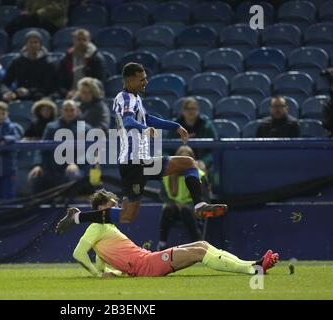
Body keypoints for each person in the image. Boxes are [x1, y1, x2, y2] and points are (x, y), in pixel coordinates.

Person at [56, 63, 227, 235]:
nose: (145, 82)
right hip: (133, 162)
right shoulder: (125, 98)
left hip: (140, 161)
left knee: (127, 215)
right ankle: (199, 205)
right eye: (142, 79)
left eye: (145, 78)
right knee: (186, 164)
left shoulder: (134, 98)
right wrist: (144, 129)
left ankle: (77, 218)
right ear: (129, 81)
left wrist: (175, 126)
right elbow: (129, 120)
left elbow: (148, 119)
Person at [72, 189, 279, 278]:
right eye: (111, 206)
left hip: (147, 260)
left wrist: (108, 272)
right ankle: (253, 270)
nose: (117, 210)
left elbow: (102, 259)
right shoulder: (96, 226)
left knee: (203, 245)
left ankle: (253, 263)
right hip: (147, 265)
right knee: (199, 252)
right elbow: (79, 253)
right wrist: (99, 275)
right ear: (100, 208)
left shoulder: (106, 228)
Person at [28, 100, 91, 193]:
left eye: (72, 110)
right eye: (66, 110)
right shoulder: (51, 127)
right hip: (52, 168)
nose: (69, 112)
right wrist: (38, 165)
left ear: (77, 111)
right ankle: (38, 205)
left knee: (72, 173)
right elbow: (42, 148)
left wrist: (76, 164)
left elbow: (89, 151)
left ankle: (70, 205)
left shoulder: (84, 128)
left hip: (77, 168)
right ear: (61, 111)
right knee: (34, 175)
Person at [158, 146, 211, 251]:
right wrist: (175, 203)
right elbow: (163, 195)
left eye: (186, 160)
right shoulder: (166, 175)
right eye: (181, 160)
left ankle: (198, 244)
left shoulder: (199, 175)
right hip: (173, 207)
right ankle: (162, 244)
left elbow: (205, 197)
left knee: (186, 210)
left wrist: (192, 205)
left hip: (192, 207)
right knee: (168, 209)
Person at [2, 30, 56, 102]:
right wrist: (6, 92)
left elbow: (48, 87)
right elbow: (5, 82)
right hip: (19, 96)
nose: (33, 45)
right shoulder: (17, 62)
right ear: (26, 44)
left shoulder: (48, 63)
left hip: (40, 97)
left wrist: (29, 92)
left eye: (36, 42)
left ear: (40, 45)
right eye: (30, 42)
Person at [170, 97, 218, 171]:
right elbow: (166, 149)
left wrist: (204, 162)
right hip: (178, 163)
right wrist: (172, 161)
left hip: (199, 164)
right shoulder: (174, 126)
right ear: (183, 110)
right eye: (187, 108)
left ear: (198, 110)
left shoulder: (206, 125)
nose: (190, 111)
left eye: (193, 108)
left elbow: (214, 148)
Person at [58, 29, 107, 99]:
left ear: (89, 40)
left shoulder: (96, 59)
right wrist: (66, 93)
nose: (81, 42)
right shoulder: (66, 58)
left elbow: (99, 81)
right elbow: (60, 81)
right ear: (74, 40)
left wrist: (82, 93)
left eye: (84, 39)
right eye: (78, 39)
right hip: (70, 95)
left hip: (90, 95)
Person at [5, 0, 69, 36]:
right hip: (34, 19)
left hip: (53, 22)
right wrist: (26, 12)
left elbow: (59, 8)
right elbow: (28, 6)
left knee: (28, 20)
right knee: (11, 26)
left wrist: (39, 13)